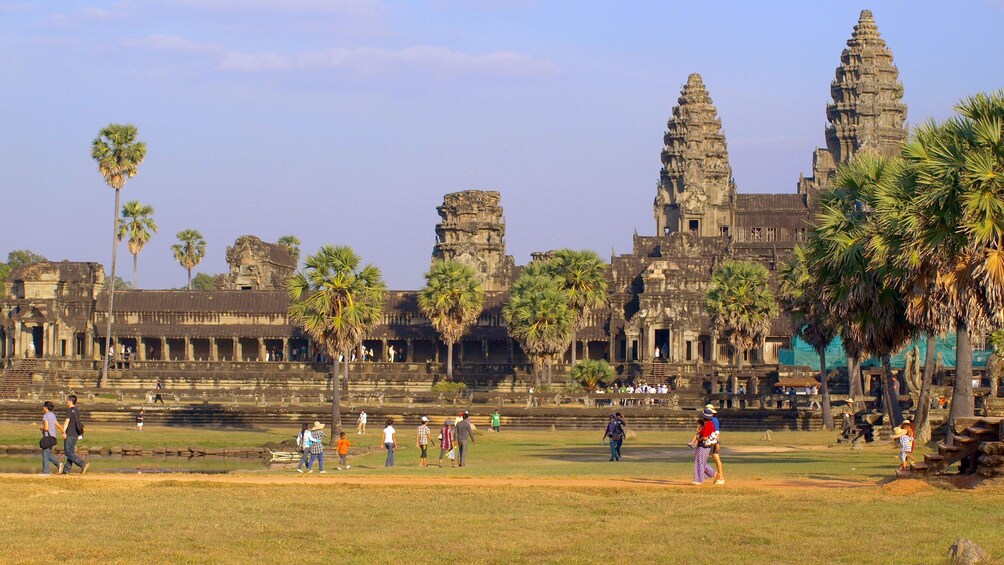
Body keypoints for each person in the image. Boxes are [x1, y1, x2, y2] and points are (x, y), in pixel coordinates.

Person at [60, 394, 89, 475]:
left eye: (67, 400)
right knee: (71, 452)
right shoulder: (76, 410)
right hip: (75, 434)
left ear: (70, 401)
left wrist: (63, 432)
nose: (66, 401)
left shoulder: (69, 410)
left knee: (68, 452)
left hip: (69, 434)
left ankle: (82, 464)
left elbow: (67, 421)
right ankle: (66, 470)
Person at [688, 413, 717, 485]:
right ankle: (714, 474)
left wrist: (698, 439)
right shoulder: (709, 424)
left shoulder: (708, 425)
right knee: (701, 462)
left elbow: (704, 437)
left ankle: (699, 480)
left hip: (704, 446)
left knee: (700, 462)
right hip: (705, 446)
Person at [704, 404, 725, 485]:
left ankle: (719, 476)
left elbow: (717, 432)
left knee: (710, 458)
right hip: (709, 441)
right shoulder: (708, 420)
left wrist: (718, 443)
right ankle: (719, 477)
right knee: (714, 458)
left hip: (713, 441)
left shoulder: (714, 420)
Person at [40, 401, 61, 476]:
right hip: (53, 437)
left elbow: (46, 427)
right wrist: (63, 432)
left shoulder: (45, 416)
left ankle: (46, 472)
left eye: (43, 406)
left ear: (46, 407)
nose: (42, 408)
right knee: (47, 453)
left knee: (45, 454)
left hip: (47, 437)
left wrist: (42, 429)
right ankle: (58, 464)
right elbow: (57, 425)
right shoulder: (52, 415)